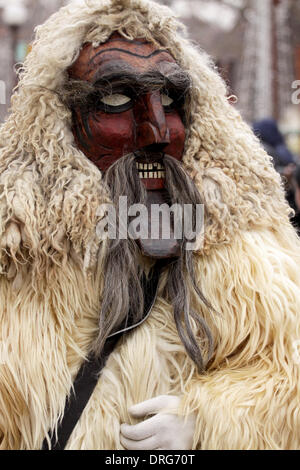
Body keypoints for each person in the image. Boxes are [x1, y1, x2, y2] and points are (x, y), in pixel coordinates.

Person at [0, 0, 300, 450]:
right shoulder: (17, 252)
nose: (157, 131)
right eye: (117, 99)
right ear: (60, 119)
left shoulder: (240, 245)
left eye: (169, 100)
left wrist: (212, 421)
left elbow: (284, 368)